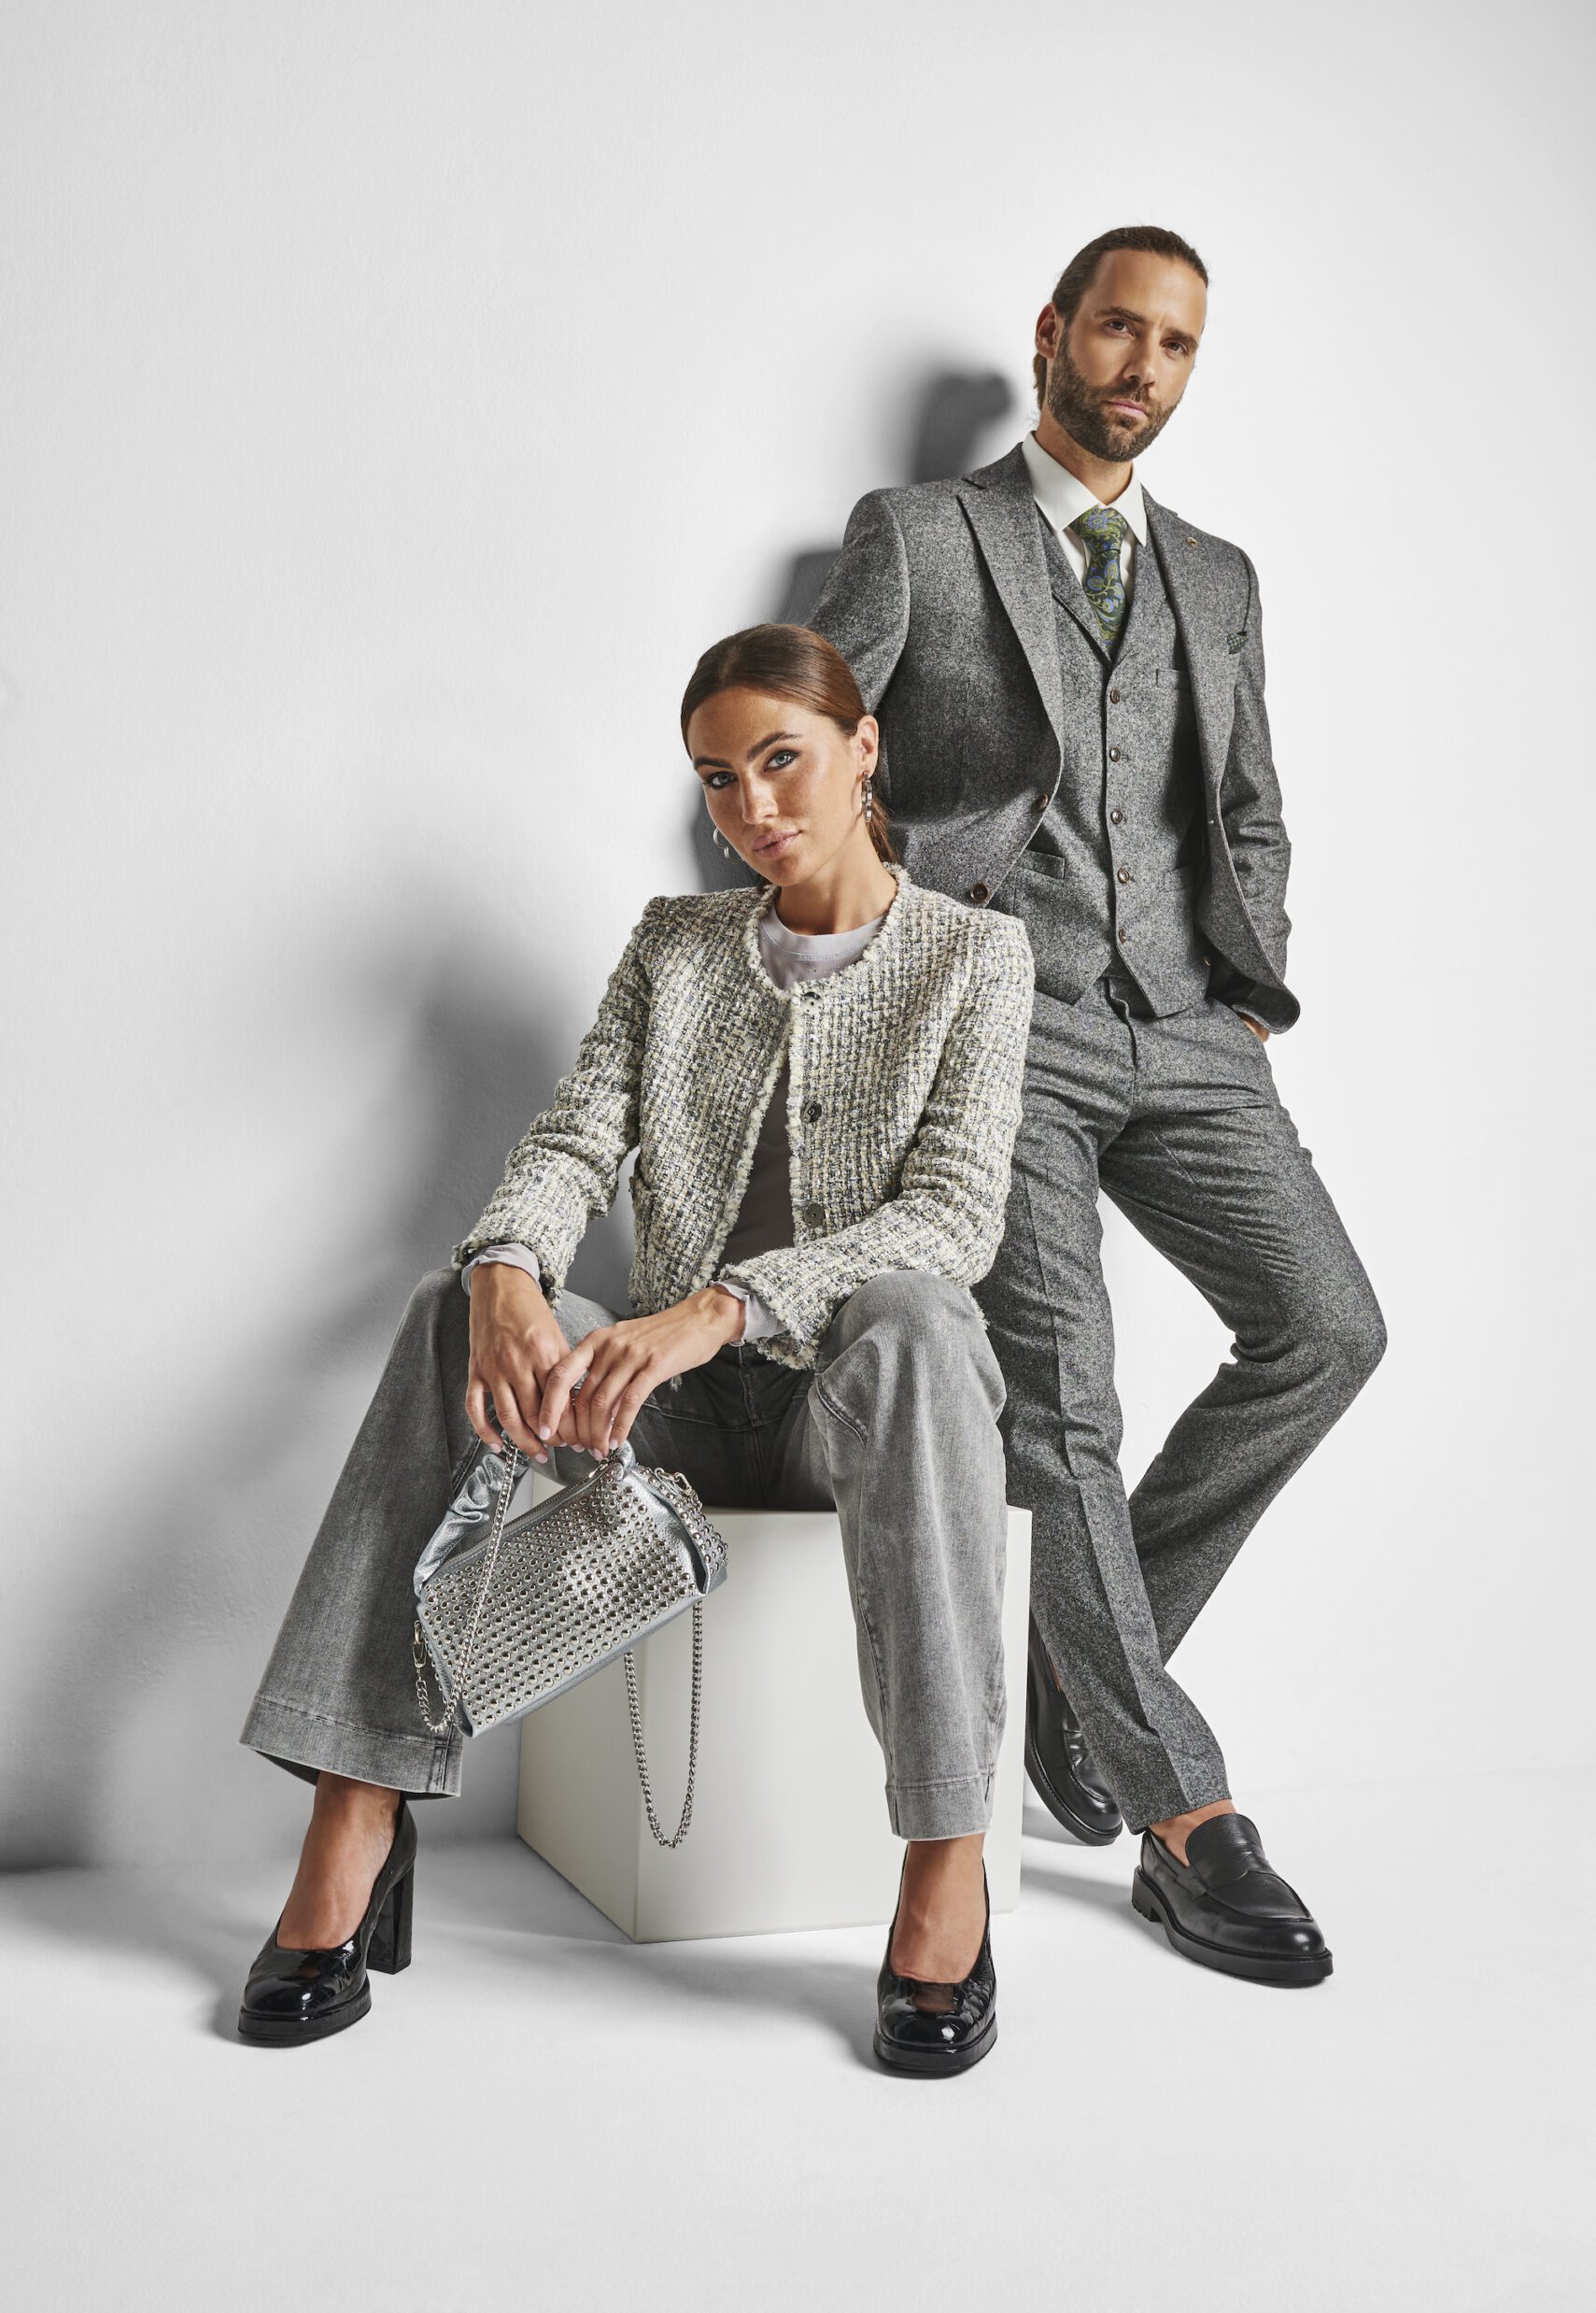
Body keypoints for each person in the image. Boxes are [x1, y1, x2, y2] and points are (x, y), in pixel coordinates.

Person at [236, 622, 1035, 2073]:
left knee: (917, 1318)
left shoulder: (977, 956)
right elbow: (573, 1140)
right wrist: (505, 1268)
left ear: (863, 748)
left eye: (781, 761)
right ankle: (359, 1803)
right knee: (445, 1307)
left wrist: (726, 1305)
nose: (753, 809)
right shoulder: (675, 947)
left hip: (843, 1415)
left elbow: (952, 1216)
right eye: (719, 779)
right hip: (652, 1416)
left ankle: (943, 1859)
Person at [806, 224, 1387, 1986]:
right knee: (1064, 1411)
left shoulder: (1214, 574)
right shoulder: (922, 535)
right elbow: (800, 759)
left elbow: (1249, 802)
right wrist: (902, 962)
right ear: (1054, 332)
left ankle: (1078, 1705)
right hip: (1005, 1025)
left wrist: (1249, 988)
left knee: (1325, 1331)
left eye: (1177, 345)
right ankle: (1183, 1814)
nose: (1143, 368)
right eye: (1119, 329)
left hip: (1191, 1027)